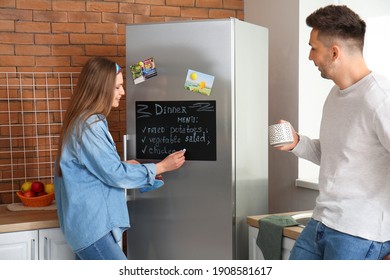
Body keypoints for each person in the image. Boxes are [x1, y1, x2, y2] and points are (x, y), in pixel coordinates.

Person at [275, 5, 390, 259]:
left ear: (334, 52)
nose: (310, 57)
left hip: (360, 235)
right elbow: (335, 156)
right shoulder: (337, 94)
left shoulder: (380, 99)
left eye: (313, 48)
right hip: (321, 222)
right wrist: (296, 143)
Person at [54, 57, 186, 260]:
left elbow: (95, 168)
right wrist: (161, 167)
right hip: (93, 229)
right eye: (117, 87)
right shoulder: (90, 125)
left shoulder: (84, 121)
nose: (123, 93)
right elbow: (114, 174)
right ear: (101, 89)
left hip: (87, 229)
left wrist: (122, 165)